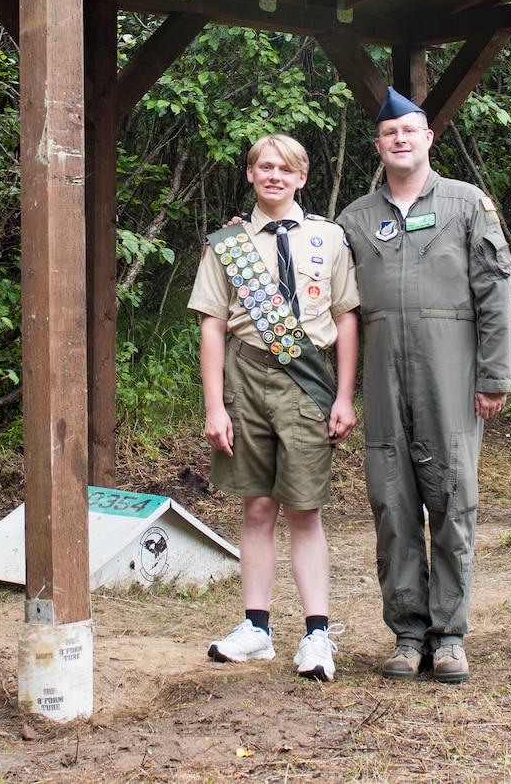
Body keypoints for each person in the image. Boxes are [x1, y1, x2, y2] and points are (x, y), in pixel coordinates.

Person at [334, 87, 511, 685]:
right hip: (383, 380)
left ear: (428, 138)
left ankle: (451, 634)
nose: (400, 140)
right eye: (390, 134)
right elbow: (315, 280)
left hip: (452, 376)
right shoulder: (355, 219)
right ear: (379, 145)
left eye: (410, 130)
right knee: (393, 502)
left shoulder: (468, 205)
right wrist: (249, 233)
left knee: (454, 499)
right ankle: (408, 633)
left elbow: (495, 293)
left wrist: (494, 375)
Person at [189, 133, 360, 682]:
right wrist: (215, 406)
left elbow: (347, 315)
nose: (274, 176)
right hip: (245, 378)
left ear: (301, 177)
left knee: (304, 511)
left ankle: (316, 635)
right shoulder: (228, 244)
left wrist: (344, 395)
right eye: (264, 167)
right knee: (257, 508)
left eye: (285, 169)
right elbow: (212, 326)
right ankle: (256, 629)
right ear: (250, 175)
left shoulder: (328, 239)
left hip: (308, 383)